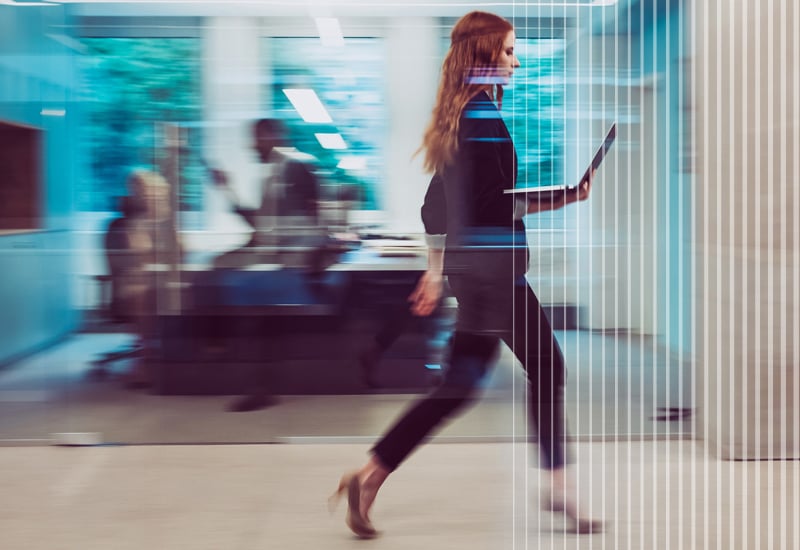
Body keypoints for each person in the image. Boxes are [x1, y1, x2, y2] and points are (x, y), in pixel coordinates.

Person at [329, 11, 602, 537]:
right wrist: (566, 196)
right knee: (546, 368)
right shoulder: (484, 123)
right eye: (506, 52)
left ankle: (369, 475)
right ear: (482, 58)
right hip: (494, 272)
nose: (515, 62)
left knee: (459, 386)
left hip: (473, 271)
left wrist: (436, 273)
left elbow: (438, 207)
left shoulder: (460, 119)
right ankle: (559, 487)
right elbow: (492, 207)